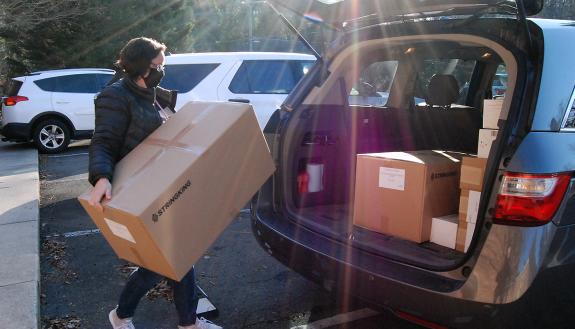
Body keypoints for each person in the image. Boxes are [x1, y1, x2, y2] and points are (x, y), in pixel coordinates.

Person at [87, 37, 222, 329]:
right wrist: (101, 177)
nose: (163, 70)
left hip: (160, 187)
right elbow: (103, 141)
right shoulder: (116, 95)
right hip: (137, 190)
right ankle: (129, 316)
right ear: (141, 67)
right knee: (164, 262)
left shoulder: (151, 92)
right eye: (157, 65)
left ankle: (177, 322)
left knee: (176, 258)